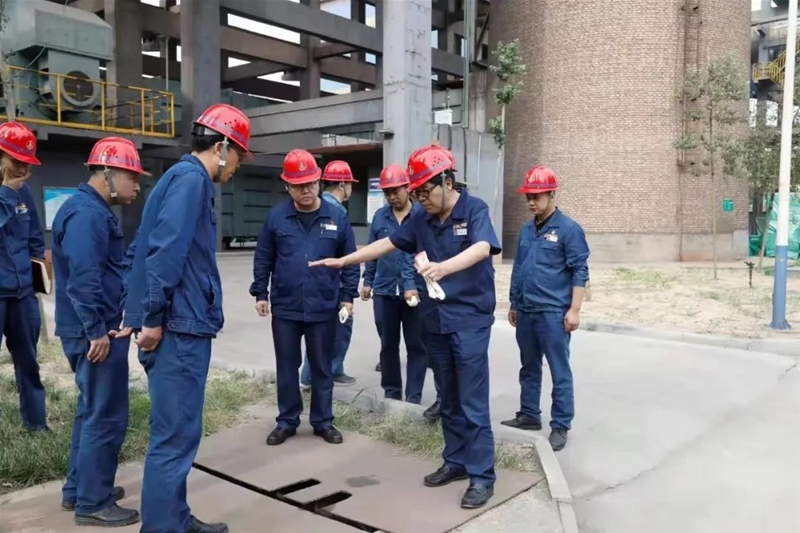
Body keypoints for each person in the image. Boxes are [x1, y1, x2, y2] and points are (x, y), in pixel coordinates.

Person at [310, 145, 501, 509]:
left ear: (447, 182)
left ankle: (482, 476)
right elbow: (386, 243)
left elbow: (482, 247)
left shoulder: (474, 209)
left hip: (469, 321)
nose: (421, 200)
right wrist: (346, 260)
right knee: (447, 398)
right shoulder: (422, 218)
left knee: (471, 401)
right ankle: (455, 461)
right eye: (417, 193)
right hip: (435, 319)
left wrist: (444, 267)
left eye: (425, 192)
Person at [121, 103, 252, 533]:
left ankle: (175, 518)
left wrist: (138, 310)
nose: (237, 166)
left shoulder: (177, 178)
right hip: (179, 328)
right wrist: (151, 316)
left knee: (177, 435)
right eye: (238, 155)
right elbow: (165, 251)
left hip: (178, 323)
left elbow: (141, 247)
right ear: (222, 147)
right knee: (174, 439)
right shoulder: (192, 180)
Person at [51, 137, 147, 527]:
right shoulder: (87, 215)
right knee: (105, 416)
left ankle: (79, 488)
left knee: (90, 410)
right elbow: (82, 280)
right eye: (132, 177)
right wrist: (96, 331)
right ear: (107, 172)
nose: (137, 186)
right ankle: (93, 502)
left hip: (90, 327)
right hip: (93, 332)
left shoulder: (90, 210)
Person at [251, 149, 358, 447]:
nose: (306, 190)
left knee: (322, 366)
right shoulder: (276, 218)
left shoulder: (337, 217)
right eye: (298, 185)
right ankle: (287, 421)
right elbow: (264, 257)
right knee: (287, 366)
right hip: (286, 306)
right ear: (287, 186)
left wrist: (347, 296)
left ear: (319, 181)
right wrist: (260, 292)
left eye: (311, 183)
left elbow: (350, 259)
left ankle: (323, 421)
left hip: (323, 305)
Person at [502, 166, 589, 452]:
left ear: (552, 194)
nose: (531, 202)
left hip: (553, 313)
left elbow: (580, 271)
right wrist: (514, 302)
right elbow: (519, 268)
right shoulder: (527, 230)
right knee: (528, 366)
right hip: (526, 310)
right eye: (528, 197)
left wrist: (574, 310)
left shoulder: (569, 230)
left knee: (558, 369)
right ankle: (529, 414)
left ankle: (561, 424)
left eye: (537, 196)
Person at [360, 163, 429, 405]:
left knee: (417, 345)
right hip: (384, 290)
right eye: (387, 192)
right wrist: (367, 281)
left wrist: (413, 282)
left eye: (396, 191)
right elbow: (372, 250)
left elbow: (422, 252)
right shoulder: (380, 216)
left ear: (407, 188)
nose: (391, 196)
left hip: (415, 291)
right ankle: (391, 393)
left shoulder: (421, 215)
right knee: (388, 345)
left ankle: (413, 397)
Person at [0, 121, 48, 432]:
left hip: (22, 295)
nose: (21, 169)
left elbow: (34, 238)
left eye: (26, 163)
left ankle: (36, 424)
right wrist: (6, 192)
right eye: (15, 160)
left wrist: (37, 278)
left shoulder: (23, 192)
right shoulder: (11, 192)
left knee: (29, 363)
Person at [299, 160, 360, 387]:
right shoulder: (335, 212)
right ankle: (322, 374)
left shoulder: (317, 207)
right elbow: (348, 256)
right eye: (350, 184)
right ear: (343, 185)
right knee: (336, 330)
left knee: (318, 332)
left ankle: (318, 375)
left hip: (314, 284)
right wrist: (347, 294)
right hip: (331, 285)